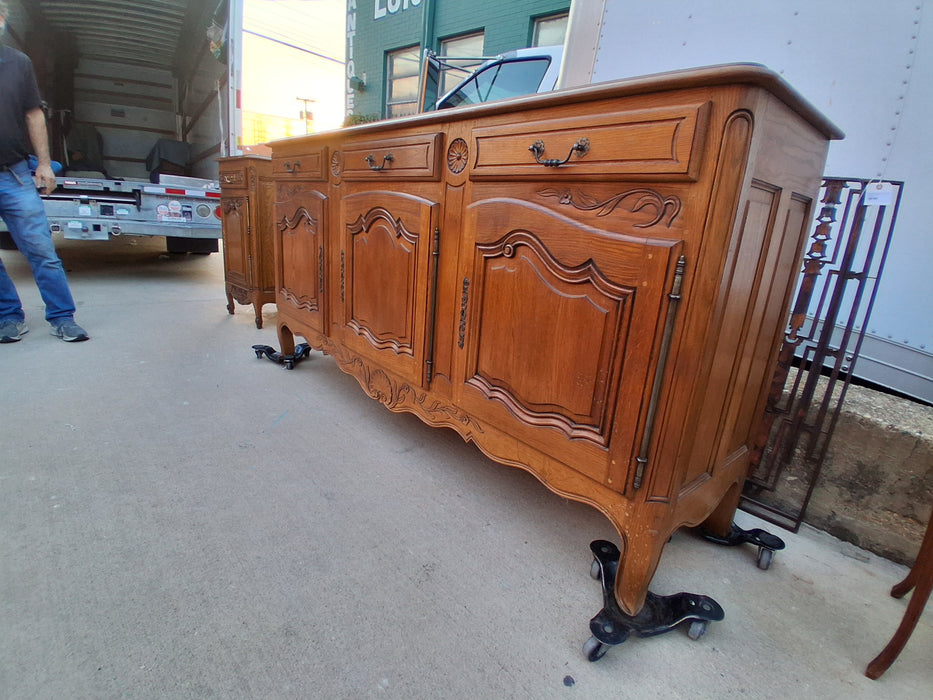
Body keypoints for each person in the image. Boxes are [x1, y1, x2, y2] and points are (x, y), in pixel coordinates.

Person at [0, 0, 88, 343]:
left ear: (3, 19)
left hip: (14, 175)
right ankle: (8, 317)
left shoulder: (17, 62)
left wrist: (42, 163)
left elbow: (34, 115)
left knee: (41, 252)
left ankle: (63, 317)